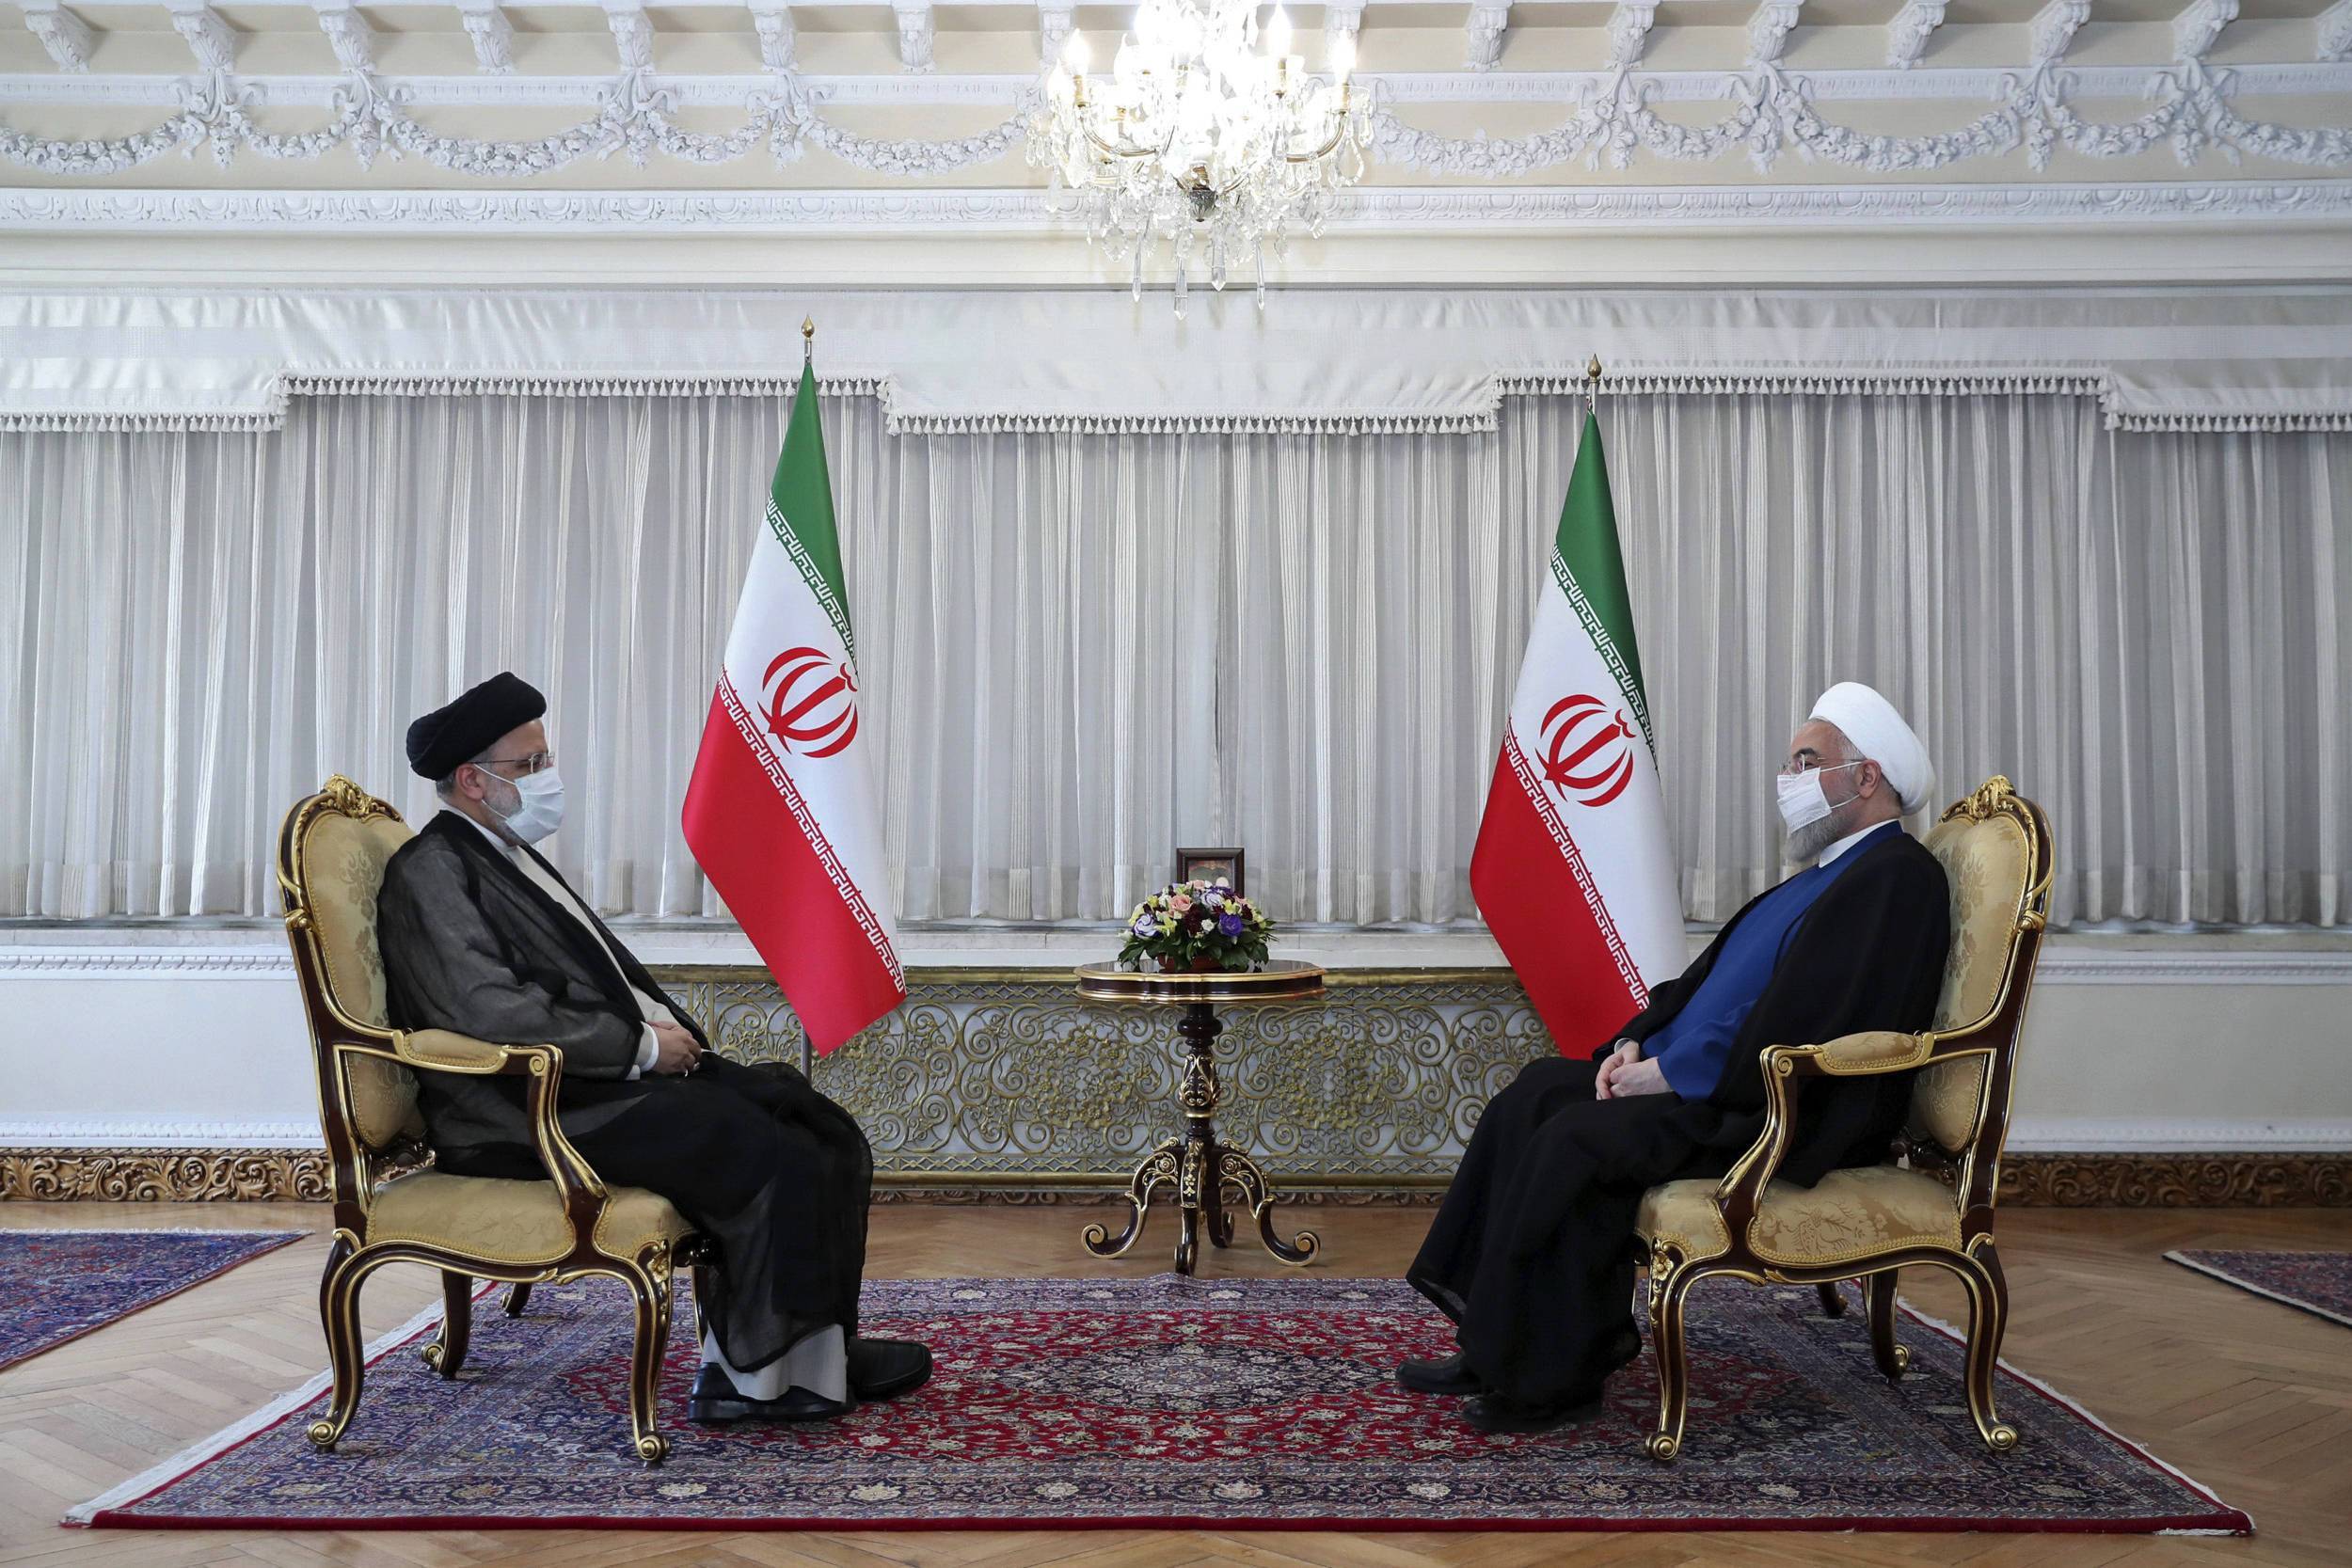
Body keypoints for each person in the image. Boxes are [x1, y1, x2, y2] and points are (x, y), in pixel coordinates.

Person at [375, 672, 929, 1425]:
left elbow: (586, 973)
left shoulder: (501, 848)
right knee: (750, 1140)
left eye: (546, 758)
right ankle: (753, 1377)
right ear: (472, 780)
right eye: (529, 765)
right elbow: (490, 1010)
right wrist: (639, 1046)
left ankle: (819, 1347)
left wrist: (669, 1035)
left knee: (808, 1118)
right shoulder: (431, 868)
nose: (548, 778)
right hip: (521, 1111)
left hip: (586, 1083)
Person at [1401, 682, 1953, 1433]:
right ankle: (1491, 1341)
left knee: (1578, 1140)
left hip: (1782, 1110)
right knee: (1535, 1092)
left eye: (1805, 760)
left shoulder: (1896, 876)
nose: (1787, 780)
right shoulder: (1829, 872)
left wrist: (1665, 1075)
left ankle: (1553, 1379)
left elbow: (1814, 1017)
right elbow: (1704, 986)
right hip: (1719, 1080)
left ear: (1866, 776)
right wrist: (1633, 1044)